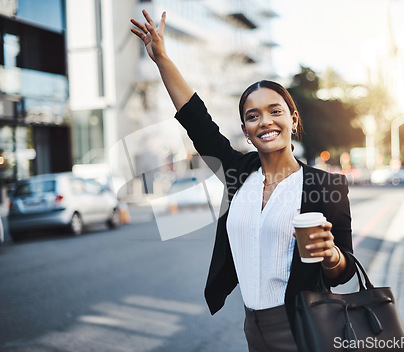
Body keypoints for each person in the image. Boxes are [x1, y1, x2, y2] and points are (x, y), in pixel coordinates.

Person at [130, 10, 356, 352]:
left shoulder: (327, 187)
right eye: (253, 116)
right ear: (246, 132)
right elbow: (196, 119)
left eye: (275, 111)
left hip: (302, 324)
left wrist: (331, 255)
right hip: (253, 325)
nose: (265, 121)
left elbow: (345, 270)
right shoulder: (238, 172)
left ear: (293, 120)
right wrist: (162, 59)